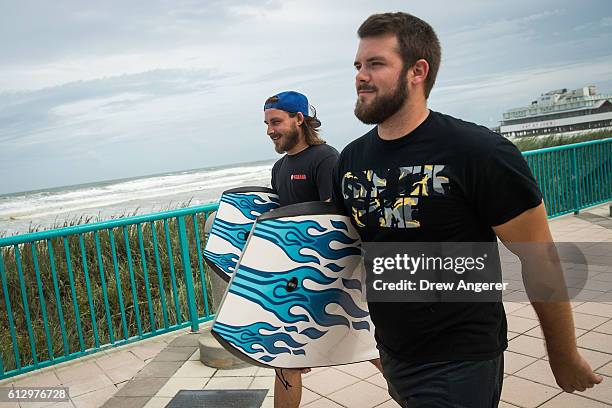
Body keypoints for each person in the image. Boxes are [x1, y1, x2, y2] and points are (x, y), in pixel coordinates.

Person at [331, 12, 603, 407]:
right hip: (393, 351)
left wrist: (562, 353)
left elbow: (540, 259)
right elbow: (345, 249)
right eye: (358, 65)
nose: (360, 75)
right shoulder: (352, 159)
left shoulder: (477, 152)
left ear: (417, 71)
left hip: (461, 357)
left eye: (376, 63)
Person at [264, 90, 382, 408]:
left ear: (298, 119)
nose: (270, 129)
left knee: (374, 349)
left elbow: (337, 221)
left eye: (276, 121)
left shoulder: (326, 158)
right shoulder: (279, 169)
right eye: (267, 123)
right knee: (285, 360)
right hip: (299, 280)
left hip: (337, 279)